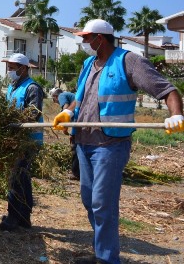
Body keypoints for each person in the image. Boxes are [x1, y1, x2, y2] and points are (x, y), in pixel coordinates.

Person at [52, 19, 183, 264]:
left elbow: (168, 90)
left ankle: (107, 259)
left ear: (99, 38)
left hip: (110, 145)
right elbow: (79, 99)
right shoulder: (89, 63)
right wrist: (68, 112)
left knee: (103, 202)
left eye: (86, 38)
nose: (83, 43)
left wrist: (175, 115)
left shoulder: (128, 61)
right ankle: (101, 251)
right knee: (89, 200)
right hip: (83, 142)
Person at [0, 53, 45, 231]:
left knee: (18, 178)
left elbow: (34, 114)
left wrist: (14, 122)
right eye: (8, 67)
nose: (9, 71)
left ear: (23, 69)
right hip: (15, 139)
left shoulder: (32, 88)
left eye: (12, 68)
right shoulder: (13, 87)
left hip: (28, 141)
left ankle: (14, 217)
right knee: (19, 178)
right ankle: (22, 217)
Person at [50, 87, 79, 179]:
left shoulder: (62, 95)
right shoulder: (71, 96)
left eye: (54, 100)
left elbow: (65, 108)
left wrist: (64, 128)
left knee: (76, 148)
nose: (56, 102)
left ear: (55, 96)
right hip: (79, 121)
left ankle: (76, 173)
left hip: (78, 123)